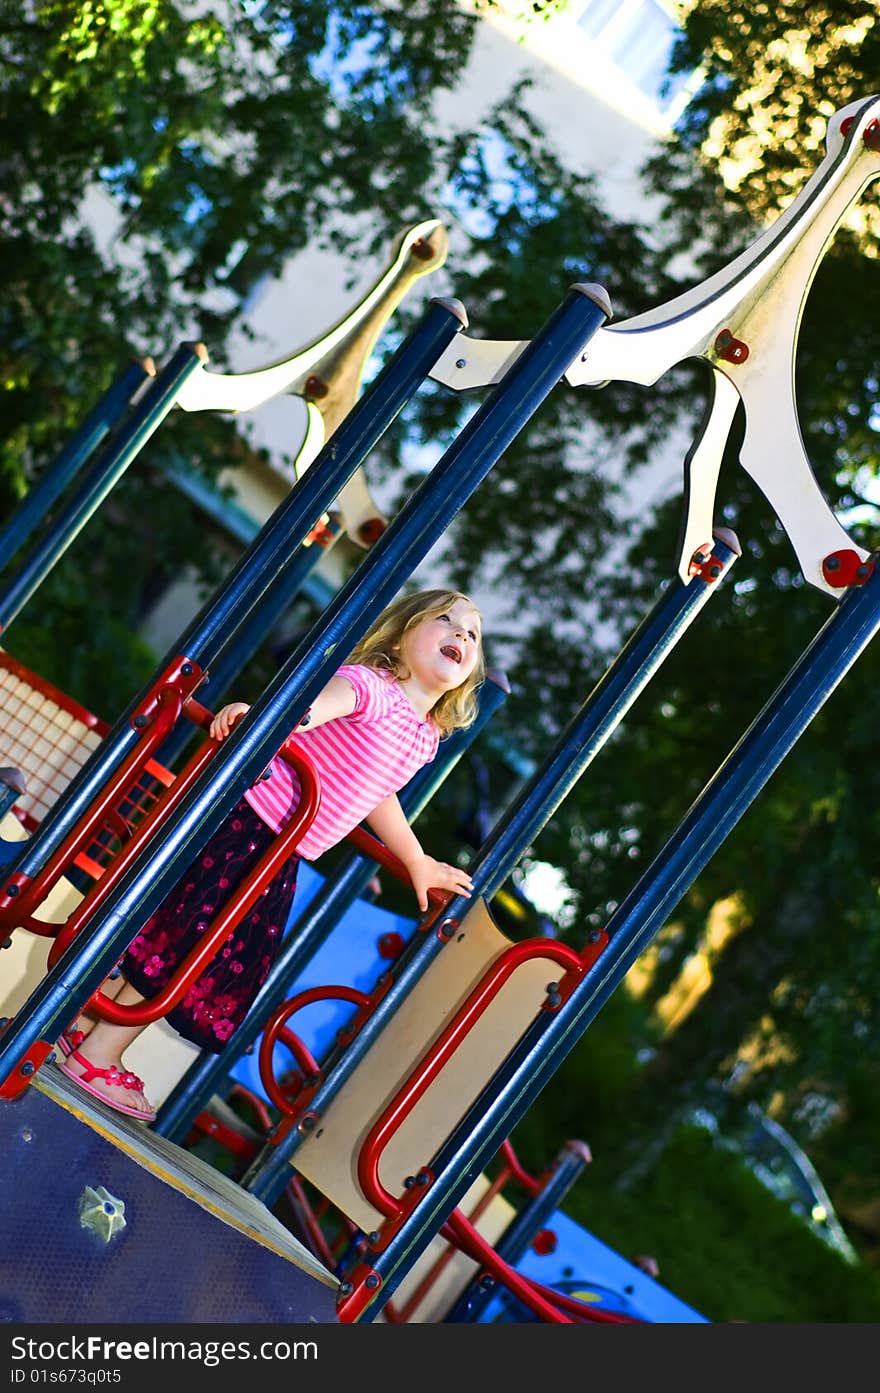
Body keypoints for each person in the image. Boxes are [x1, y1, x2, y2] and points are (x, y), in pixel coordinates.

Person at [57, 588, 484, 1121]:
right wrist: (264, 718)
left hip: (281, 849)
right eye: (445, 620)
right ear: (399, 638)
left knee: (177, 940)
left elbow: (379, 796)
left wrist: (417, 861)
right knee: (185, 945)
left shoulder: (422, 737)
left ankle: (80, 1030)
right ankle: (99, 1055)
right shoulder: (370, 686)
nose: (460, 635)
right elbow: (310, 710)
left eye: (471, 633)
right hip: (249, 826)